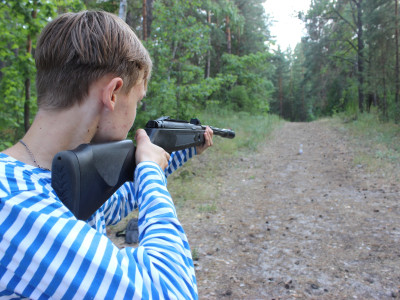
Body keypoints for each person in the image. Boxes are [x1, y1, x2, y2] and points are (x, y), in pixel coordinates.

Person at [0, 11, 213, 299]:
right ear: (113, 93)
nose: (135, 111)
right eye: (137, 100)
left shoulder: (53, 179)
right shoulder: (15, 207)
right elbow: (171, 290)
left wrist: (179, 152)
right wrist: (150, 173)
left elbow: (115, 204)